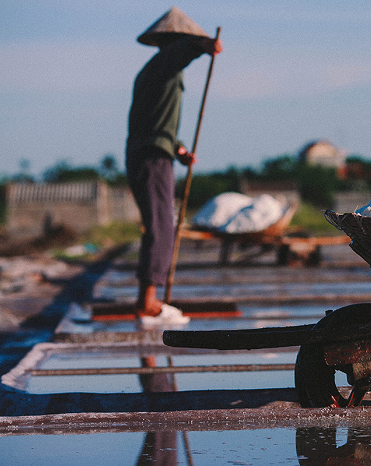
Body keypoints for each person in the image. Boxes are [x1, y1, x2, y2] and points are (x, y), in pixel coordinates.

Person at [126, 7, 222, 326]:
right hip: (151, 155)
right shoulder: (163, 65)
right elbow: (180, 53)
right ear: (173, 42)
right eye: (182, 43)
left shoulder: (161, 74)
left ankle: (148, 300)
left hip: (156, 150)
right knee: (160, 226)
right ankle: (148, 304)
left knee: (162, 224)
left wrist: (178, 148)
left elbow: (155, 122)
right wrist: (200, 46)